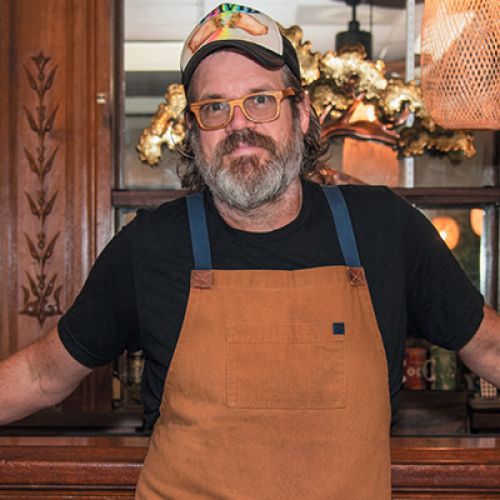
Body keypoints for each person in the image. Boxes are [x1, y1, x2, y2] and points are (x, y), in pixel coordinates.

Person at [1, 3, 499, 498]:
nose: (238, 125)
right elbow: (42, 375)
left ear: (301, 113)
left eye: (261, 100)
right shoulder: (150, 245)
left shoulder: (383, 229)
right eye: (214, 107)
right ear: (194, 131)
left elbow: (488, 346)